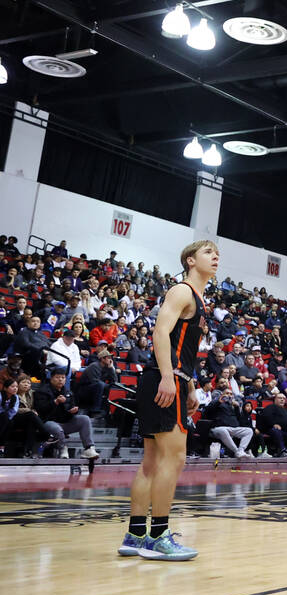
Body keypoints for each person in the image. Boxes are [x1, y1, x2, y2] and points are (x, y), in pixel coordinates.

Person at [121, 240, 218, 562]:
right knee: (173, 460)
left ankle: (135, 534)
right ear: (190, 260)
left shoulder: (200, 298)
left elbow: (184, 349)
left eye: (217, 253)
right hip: (164, 378)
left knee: (150, 463)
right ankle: (159, 536)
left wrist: (189, 386)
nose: (215, 256)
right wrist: (168, 377)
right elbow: (160, 334)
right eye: (208, 252)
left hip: (170, 378)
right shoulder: (182, 291)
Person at [33, 367, 101, 459]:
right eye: (57, 377)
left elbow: (70, 409)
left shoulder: (68, 392)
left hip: (65, 422)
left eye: (63, 377)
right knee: (56, 428)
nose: (60, 380)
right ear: (51, 378)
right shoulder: (42, 391)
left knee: (84, 419)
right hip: (48, 421)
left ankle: (89, 448)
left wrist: (73, 411)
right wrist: (55, 402)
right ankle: (62, 448)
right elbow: (40, 410)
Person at [204, 391, 252, 458]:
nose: (229, 395)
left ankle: (241, 450)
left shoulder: (232, 405)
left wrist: (237, 407)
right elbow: (207, 411)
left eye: (231, 394)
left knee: (249, 431)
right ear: (222, 395)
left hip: (232, 428)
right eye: (227, 393)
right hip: (218, 428)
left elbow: (239, 419)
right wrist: (218, 402)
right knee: (223, 430)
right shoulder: (216, 402)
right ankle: (237, 451)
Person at [76, 346, 117, 417]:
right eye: (108, 357)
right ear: (102, 359)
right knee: (100, 385)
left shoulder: (107, 367)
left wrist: (111, 369)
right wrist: (107, 386)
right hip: (84, 390)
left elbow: (115, 381)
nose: (110, 359)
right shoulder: (94, 366)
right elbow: (94, 381)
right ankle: (95, 410)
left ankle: (107, 411)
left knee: (108, 386)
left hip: (96, 388)